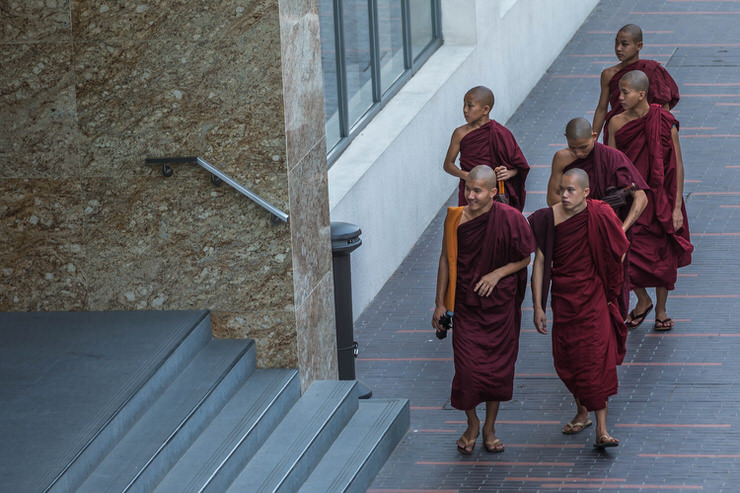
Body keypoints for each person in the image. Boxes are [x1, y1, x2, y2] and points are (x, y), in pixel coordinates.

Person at [433, 165, 534, 455]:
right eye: (468, 189)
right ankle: (472, 422)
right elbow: (445, 260)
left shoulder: (510, 218)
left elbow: (524, 258)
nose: (471, 196)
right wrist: (440, 303)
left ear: (493, 192)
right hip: (465, 305)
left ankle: (489, 427)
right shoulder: (455, 218)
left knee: (496, 372)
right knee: (466, 372)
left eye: (477, 191)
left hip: (498, 307)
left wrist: (496, 274)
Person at [529, 169, 630, 449]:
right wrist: (537, 306)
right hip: (564, 299)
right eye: (562, 189)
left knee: (597, 359)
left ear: (586, 192)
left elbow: (619, 249)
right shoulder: (548, 219)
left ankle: (602, 429)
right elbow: (538, 262)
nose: (564, 195)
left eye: (570, 190)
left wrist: (606, 277)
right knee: (569, 360)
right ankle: (582, 412)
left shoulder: (600, 214)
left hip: (593, 297)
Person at [607, 70, 693, 331]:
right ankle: (642, 300)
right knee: (628, 253)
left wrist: (677, 206)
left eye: (625, 92)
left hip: (661, 198)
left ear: (642, 94)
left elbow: (677, 166)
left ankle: (662, 309)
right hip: (631, 200)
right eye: (619, 92)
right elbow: (611, 164)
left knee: (662, 255)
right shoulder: (616, 123)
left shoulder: (665, 121)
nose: (620, 97)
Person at [547, 117, 648, 317]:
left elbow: (641, 197)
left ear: (594, 136)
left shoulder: (612, 157)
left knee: (612, 289)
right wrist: (580, 209)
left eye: (583, 148)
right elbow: (552, 199)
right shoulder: (561, 158)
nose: (578, 153)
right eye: (573, 148)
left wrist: (621, 229)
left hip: (609, 233)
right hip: (577, 233)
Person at [442, 86, 530, 211]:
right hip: (469, 190)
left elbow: (520, 166)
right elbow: (448, 165)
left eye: (470, 106)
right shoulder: (460, 133)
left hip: (492, 191)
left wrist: (509, 173)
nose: (465, 110)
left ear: (485, 109)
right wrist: (466, 175)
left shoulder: (501, 133)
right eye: (464, 105)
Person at [592, 24, 680, 141]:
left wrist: (665, 133)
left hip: (647, 131)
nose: (618, 48)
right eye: (616, 43)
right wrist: (593, 139)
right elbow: (601, 109)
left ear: (639, 46)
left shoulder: (651, 70)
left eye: (624, 44)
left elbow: (663, 106)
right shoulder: (608, 74)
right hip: (620, 130)